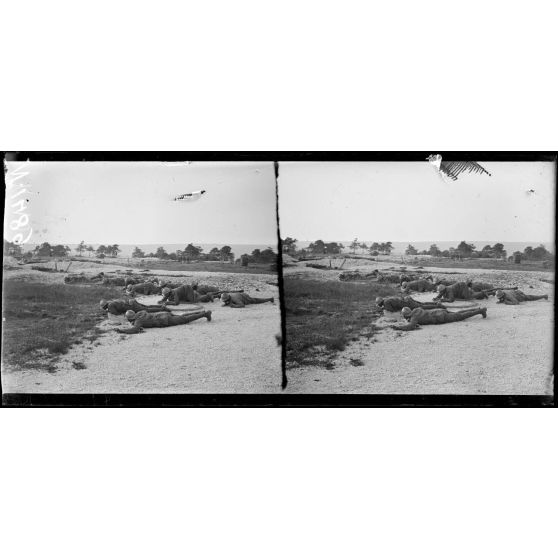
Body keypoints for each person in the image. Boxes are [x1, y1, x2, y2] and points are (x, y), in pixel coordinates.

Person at [116, 309, 212, 334]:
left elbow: (134, 330)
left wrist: (122, 331)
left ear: (129, 318)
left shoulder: (138, 320)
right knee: (182, 316)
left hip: (164, 320)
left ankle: (205, 314)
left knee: (185, 319)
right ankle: (201, 312)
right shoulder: (141, 313)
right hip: (163, 314)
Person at [391, 305, 487, 331]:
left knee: (460, 316)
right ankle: (476, 309)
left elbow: (410, 326)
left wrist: (398, 328)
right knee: (458, 313)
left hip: (440, 317)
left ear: (405, 315)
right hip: (438, 311)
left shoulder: (413, 318)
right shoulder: (416, 310)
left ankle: (480, 311)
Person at [99, 297, 170, 315]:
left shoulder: (110, 306)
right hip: (131, 302)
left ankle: (162, 309)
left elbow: (115, 313)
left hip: (132, 306)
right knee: (146, 307)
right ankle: (161, 306)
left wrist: (108, 311)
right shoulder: (111, 302)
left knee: (147, 310)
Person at [376, 296, 446, 312]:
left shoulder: (386, 303)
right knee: (422, 304)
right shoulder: (387, 299)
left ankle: (437, 305)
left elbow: (391, 310)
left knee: (422, 307)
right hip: (407, 299)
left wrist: (383, 308)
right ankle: (436, 303)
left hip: (407, 303)